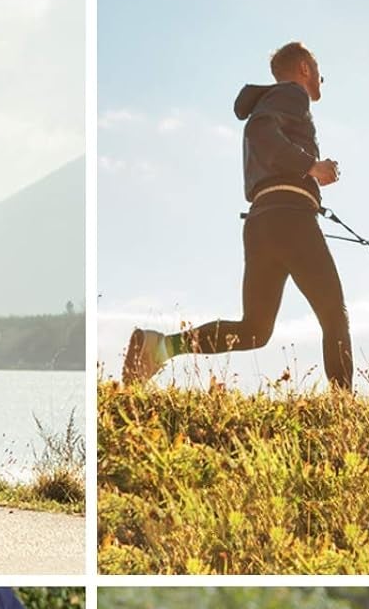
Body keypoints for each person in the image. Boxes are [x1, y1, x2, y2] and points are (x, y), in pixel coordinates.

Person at [122, 41, 353, 390]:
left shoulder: (272, 101)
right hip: (290, 219)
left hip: (262, 221)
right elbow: (260, 132)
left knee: (255, 329)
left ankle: (160, 346)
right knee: (334, 314)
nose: (322, 78)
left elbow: (262, 134)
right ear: (305, 68)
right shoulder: (292, 94)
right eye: (318, 70)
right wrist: (311, 166)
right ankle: (343, 408)